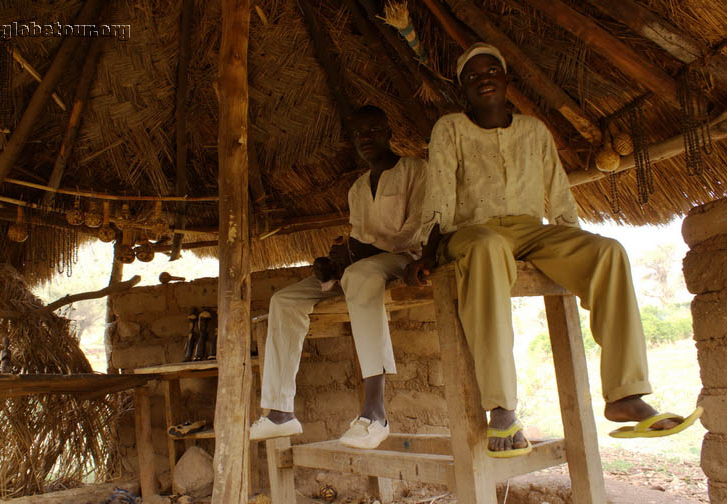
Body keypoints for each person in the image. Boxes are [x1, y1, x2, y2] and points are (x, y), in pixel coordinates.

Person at [406, 43, 702, 458]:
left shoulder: (534, 131)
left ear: (507, 80)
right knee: (490, 247)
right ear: (462, 88)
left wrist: (573, 249)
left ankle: (625, 394)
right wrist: (427, 252)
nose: (484, 78)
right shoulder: (450, 128)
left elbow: (560, 198)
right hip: (471, 232)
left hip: (531, 231)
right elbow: (438, 194)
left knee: (609, 252)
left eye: (492, 70)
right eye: (473, 75)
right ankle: (502, 407)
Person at [250, 105, 427, 449]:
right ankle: (280, 412)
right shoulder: (358, 189)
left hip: (404, 260)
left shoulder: (414, 169)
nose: (366, 138)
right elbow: (358, 242)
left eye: (374, 130)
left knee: (360, 274)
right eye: (359, 133)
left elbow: (416, 230)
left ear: (389, 133)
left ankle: (375, 413)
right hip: (363, 266)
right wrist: (333, 267)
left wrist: (360, 254)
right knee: (283, 300)